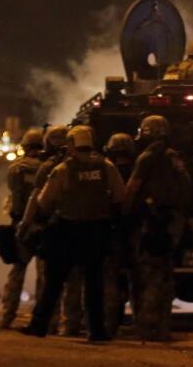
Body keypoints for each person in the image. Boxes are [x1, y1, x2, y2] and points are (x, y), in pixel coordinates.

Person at [21, 126, 126, 341]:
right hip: (96, 232)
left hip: (66, 231)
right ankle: (96, 332)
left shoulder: (63, 169)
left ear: (70, 145)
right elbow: (120, 196)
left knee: (54, 283)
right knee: (94, 284)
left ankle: (39, 325)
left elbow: (44, 201)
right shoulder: (107, 167)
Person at [125, 114, 192, 342]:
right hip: (173, 222)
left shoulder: (146, 158)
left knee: (149, 275)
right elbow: (186, 186)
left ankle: (147, 326)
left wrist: (123, 213)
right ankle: (163, 326)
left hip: (151, 221)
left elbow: (132, 188)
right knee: (166, 274)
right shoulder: (175, 158)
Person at [25, 124, 84, 335]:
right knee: (74, 281)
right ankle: (70, 325)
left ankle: (47, 323)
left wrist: (25, 224)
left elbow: (38, 199)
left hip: (52, 228)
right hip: (79, 228)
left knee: (49, 280)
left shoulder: (50, 167)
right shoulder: (87, 165)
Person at [0, 128, 45, 328]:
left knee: (17, 271)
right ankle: (42, 319)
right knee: (44, 276)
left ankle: (7, 316)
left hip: (22, 224)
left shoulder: (16, 168)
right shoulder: (48, 167)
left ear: (25, 147)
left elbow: (14, 195)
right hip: (44, 225)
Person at [103, 133, 137, 335]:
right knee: (138, 279)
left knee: (110, 279)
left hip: (112, 231)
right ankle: (145, 325)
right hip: (136, 231)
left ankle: (109, 324)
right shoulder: (138, 170)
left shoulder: (107, 170)